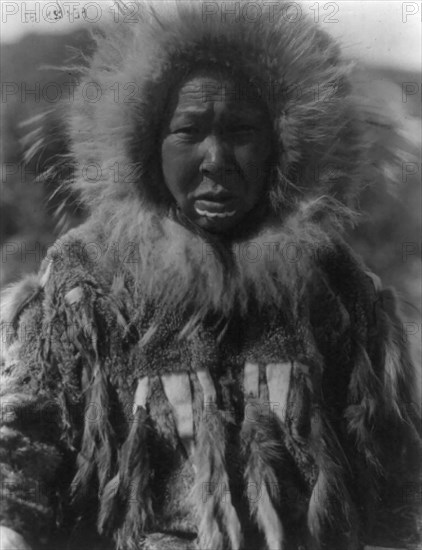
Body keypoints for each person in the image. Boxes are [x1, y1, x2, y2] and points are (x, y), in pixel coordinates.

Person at [0, 1, 420, 549]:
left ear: (282, 146)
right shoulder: (88, 276)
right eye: (189, 130)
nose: (217, 157)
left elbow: (391, 475)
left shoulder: (331, 282)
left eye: (242, 130)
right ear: (147, 144)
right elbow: (26, 441)